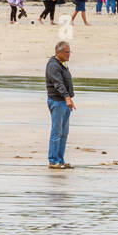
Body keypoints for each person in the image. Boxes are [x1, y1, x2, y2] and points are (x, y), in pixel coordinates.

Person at [45, 41, 75, 169]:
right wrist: (67, 98)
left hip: (64, 101)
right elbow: (58, 84)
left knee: (64, 133)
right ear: (58, 53)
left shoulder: (62, 64)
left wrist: (69, 99)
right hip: (57, 102)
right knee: (56, 133)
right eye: (66, 52)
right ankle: (53, 161)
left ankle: (60, 160)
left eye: (69, 52)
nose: (69, 54)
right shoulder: (53, 65)